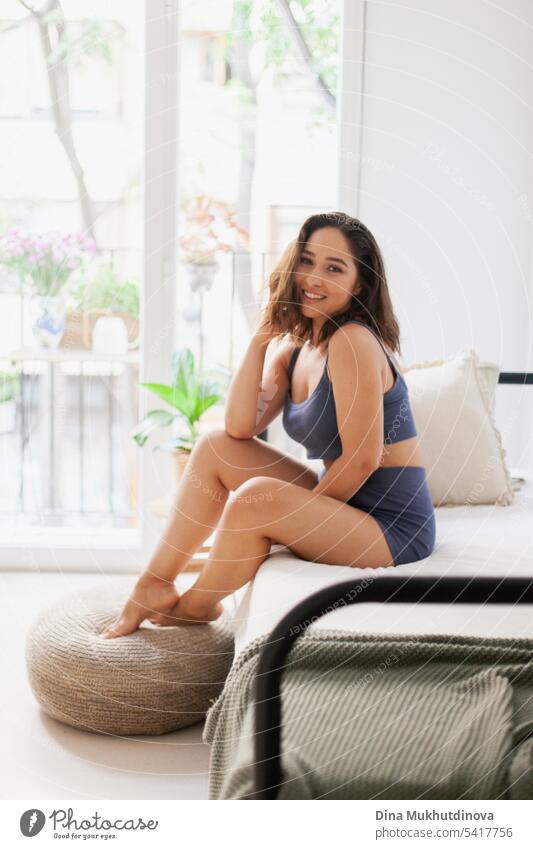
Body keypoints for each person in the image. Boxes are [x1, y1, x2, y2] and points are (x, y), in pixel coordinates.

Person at [101, 211, 435, 638]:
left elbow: (364, 459)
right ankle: (154, 582)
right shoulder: (298, 350)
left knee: (258, 499)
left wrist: (294, 519)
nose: (313, 278)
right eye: (307, 261)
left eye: (334, 268)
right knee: (214, 447)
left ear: (360, 285)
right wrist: (261, 337)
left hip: (391, 526)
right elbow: (239, 429)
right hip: (347, 504)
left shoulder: (353, 341)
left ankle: (196, 606)